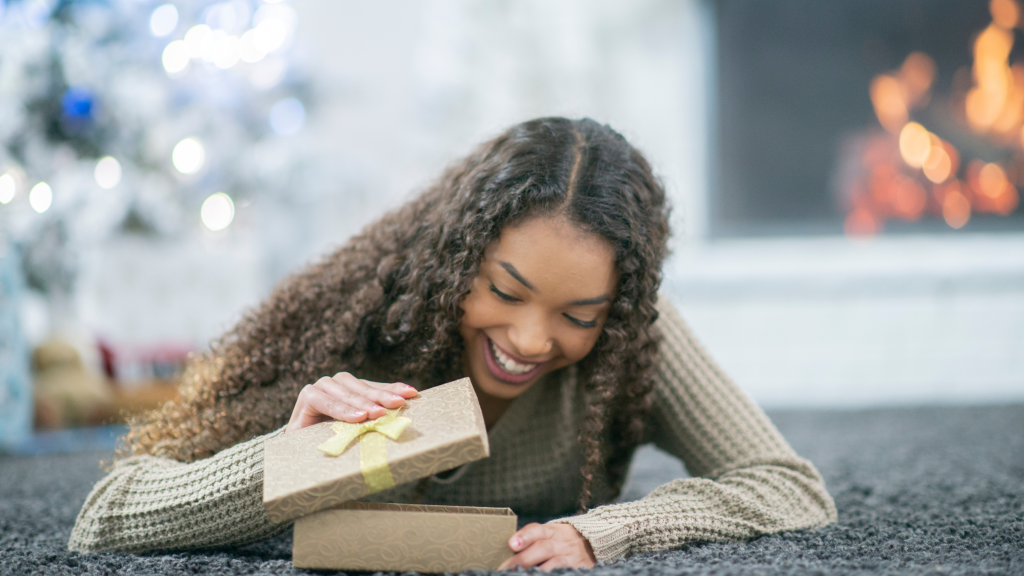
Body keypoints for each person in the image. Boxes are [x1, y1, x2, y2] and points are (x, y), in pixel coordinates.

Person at [69, 117, 837, 570]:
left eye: (580, 315)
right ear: (457, 259)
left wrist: (605, 531)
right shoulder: (361, 322)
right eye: (504, 293)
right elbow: (104, 518)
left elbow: (788, 487)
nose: (531, 340)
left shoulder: (635, 337)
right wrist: (294, 461)